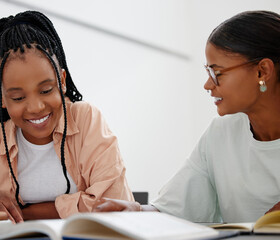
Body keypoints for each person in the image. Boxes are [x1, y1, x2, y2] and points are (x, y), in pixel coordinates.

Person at [0, 10, 134, 223]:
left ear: (62, 80)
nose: (36, 107)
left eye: (46, 90)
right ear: (0, 96)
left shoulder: (86, 120)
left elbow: (112, 203)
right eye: (18, 97)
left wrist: (21, 214)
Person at [93, 10, 280, 223]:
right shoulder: (220, 134)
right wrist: (136, 212)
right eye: (207, 72)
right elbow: (175, 207)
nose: (208, 85)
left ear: (262, 71)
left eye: (216, 73)